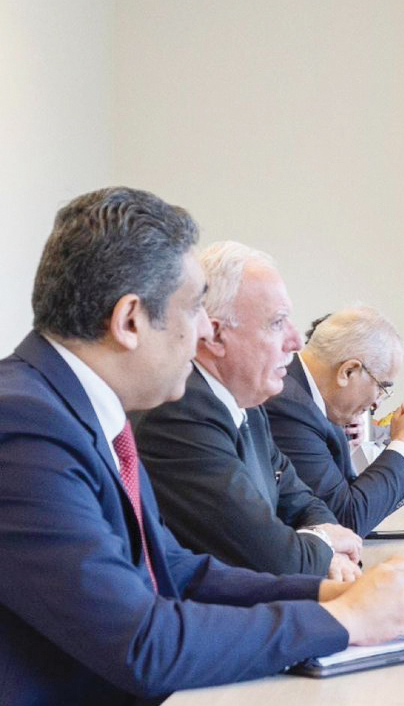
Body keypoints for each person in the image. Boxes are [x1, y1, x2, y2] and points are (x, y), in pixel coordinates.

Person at [0, 187, 404, 706]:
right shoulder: (24, 424)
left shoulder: (79, 407)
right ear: (129, 321)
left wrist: (326, 591)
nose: (207, 331)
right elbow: (143, 642)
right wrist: (343, 622)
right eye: (198, 308)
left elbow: (177, 570)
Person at [132, 242, 363, 581]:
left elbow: (304, 503)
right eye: (277, 323)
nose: (297, 341)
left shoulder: (247, 405)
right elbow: (271, 557)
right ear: (214, 335)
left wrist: (316, 542)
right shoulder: (179, 414)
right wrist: (325, 544)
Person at [264, 306, 404, 536]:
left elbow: (349, 496)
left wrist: (402, 444)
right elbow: (343, 521)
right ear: (349, 371)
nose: (377, 404)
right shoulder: (288, 406)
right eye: (382, 388)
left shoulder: (315, 398)